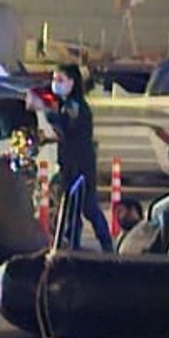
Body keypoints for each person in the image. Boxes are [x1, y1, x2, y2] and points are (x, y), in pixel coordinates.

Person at [28, 63, 113, 250]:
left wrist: (46, 110)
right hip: (74, 163)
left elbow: (67, 128)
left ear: (73, 82)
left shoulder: (74, 106)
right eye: (54, 79)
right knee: (75, 209)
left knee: (84, 207)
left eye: (60, 80)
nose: (55, 84)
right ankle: (80, 244)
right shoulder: (68, 104)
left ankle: (102, 245)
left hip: (79, 165)